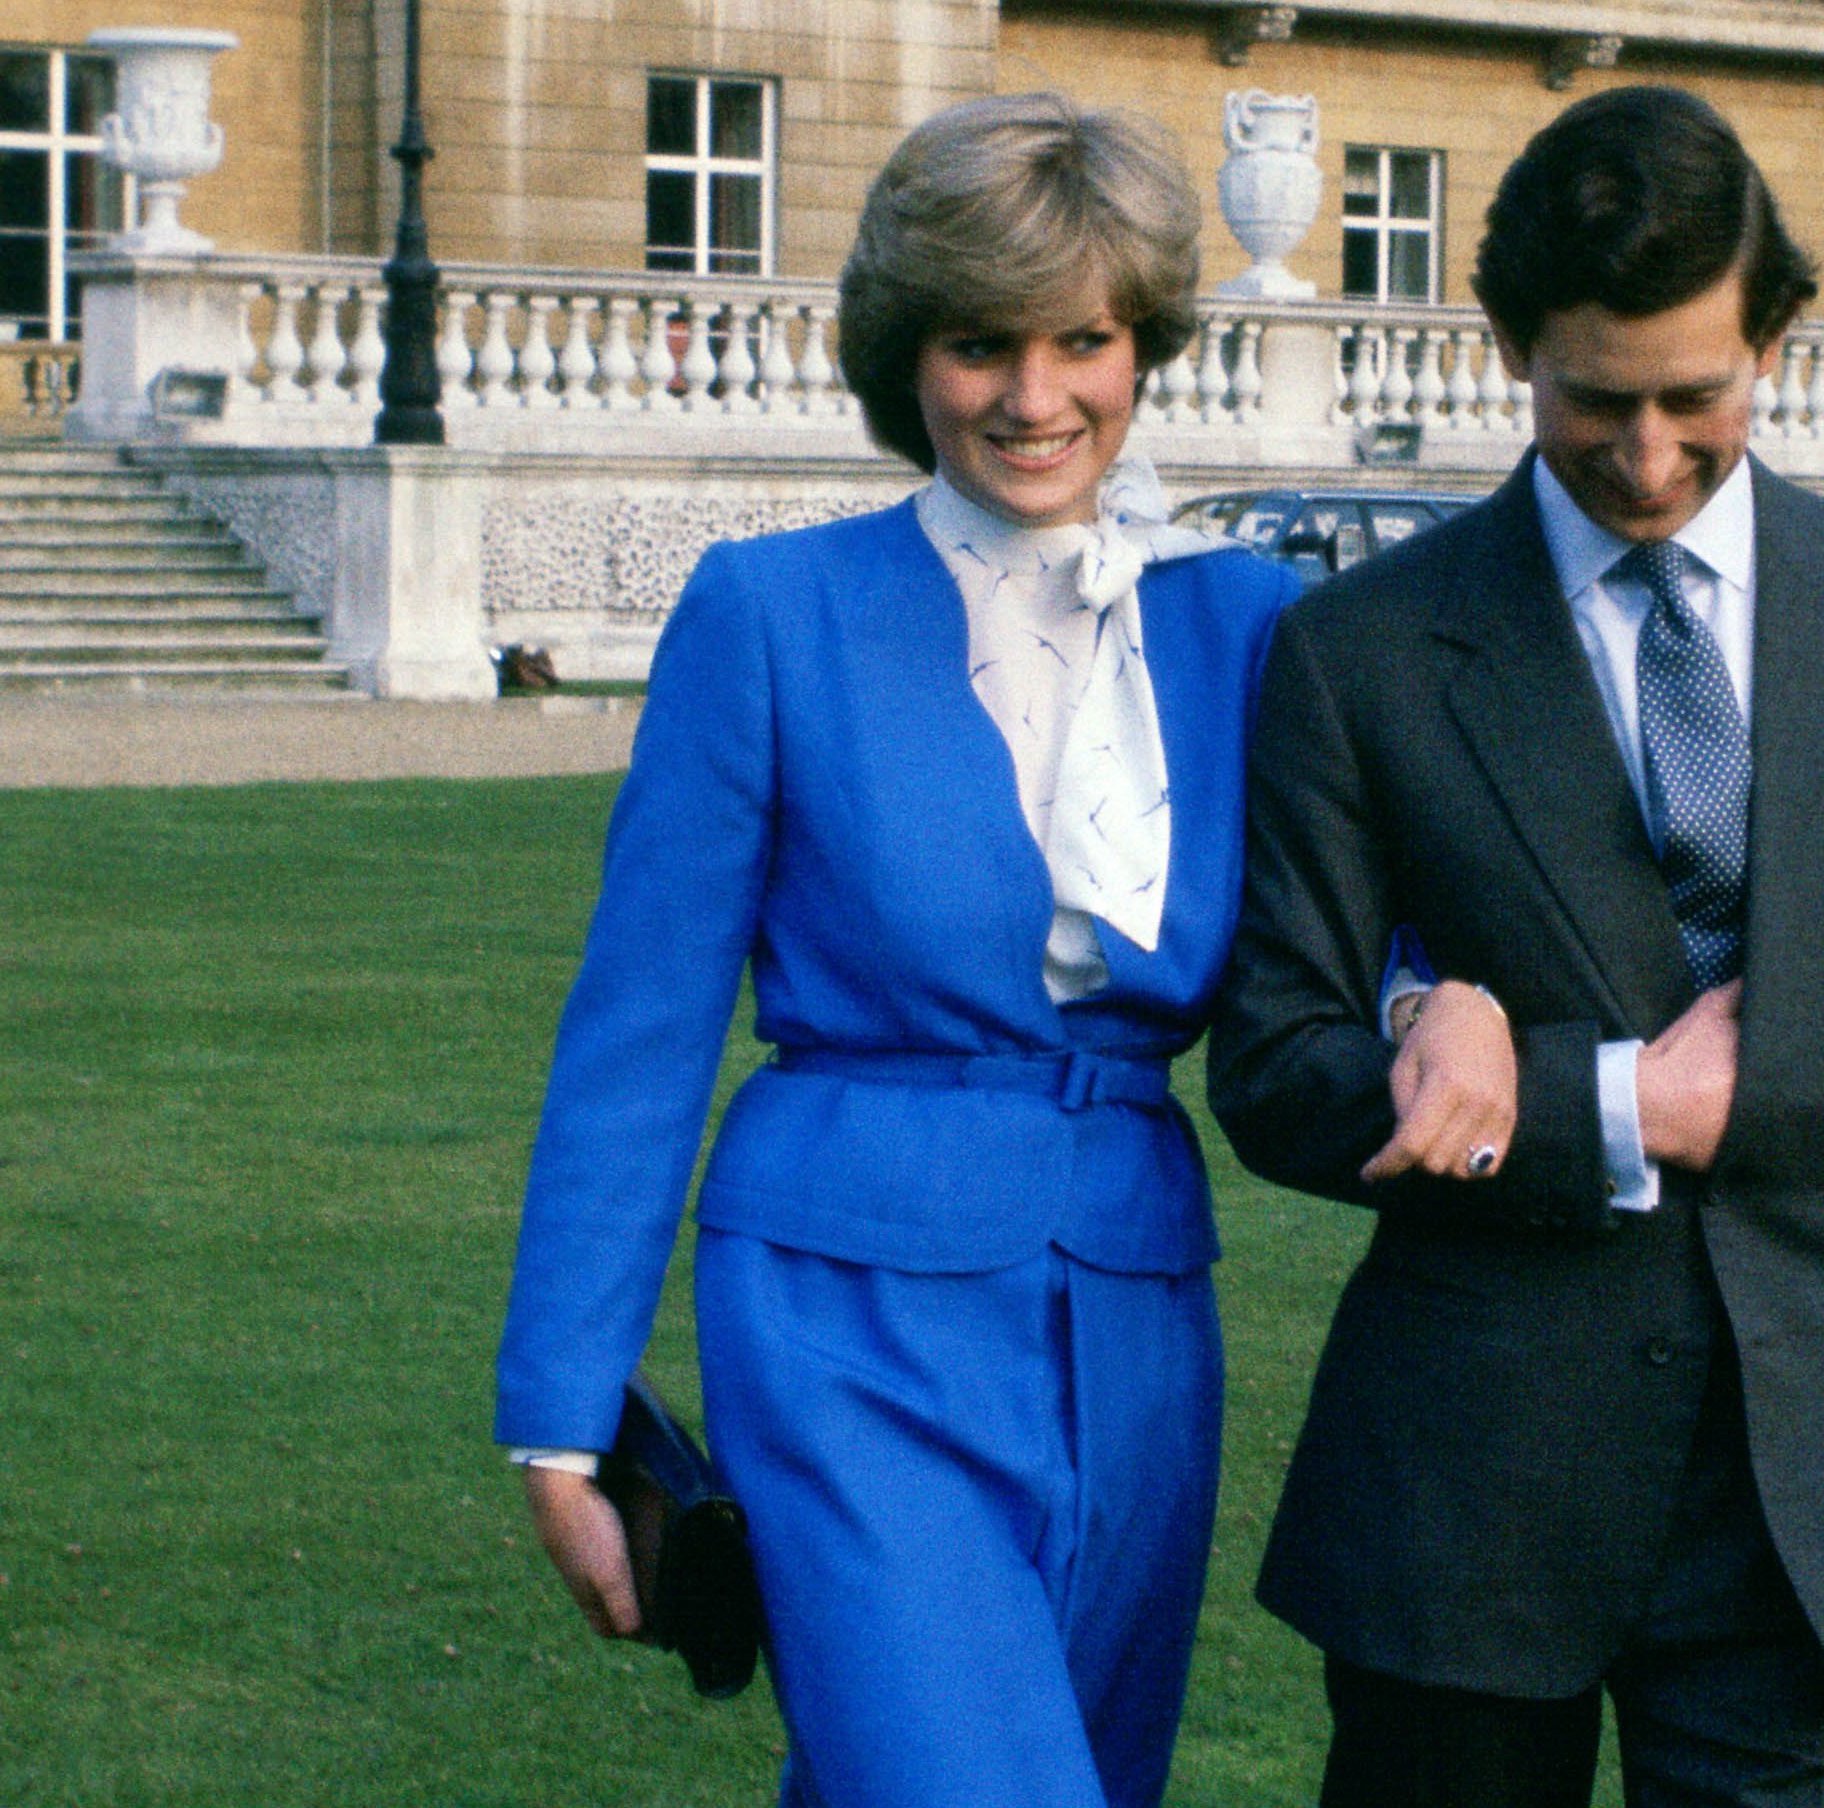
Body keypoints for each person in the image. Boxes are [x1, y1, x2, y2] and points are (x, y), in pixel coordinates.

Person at [1208, 85, 1824, 1807]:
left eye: (1699, 397)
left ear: (1778, 339)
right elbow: (1277, 1063)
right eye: (1598, 400)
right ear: (1510, 347)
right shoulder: (1359, 652)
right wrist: (1608, 1107)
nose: (1651, 455)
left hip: (1823, 1480)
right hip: (1468, 1495)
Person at [490, 94, 1296, 1808]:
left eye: (1084, 340)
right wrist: (563, 1412)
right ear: (902, 355)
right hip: (840, 1311)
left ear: (1143, 342)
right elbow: (639, 1029)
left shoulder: (1250, 628)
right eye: (978, 342)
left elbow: (1360, 935)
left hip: (1138, 1308)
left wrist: (1437, 1003)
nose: (1034, 396)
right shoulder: (768, 616)